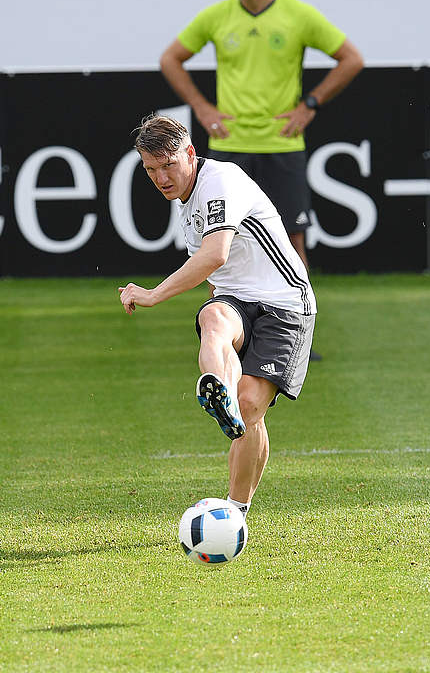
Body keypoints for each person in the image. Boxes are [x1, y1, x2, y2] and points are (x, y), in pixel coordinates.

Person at [160, 0, 362, 361]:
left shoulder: (297, 15)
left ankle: (298, 338)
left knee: (291, 240)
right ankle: (229, 334)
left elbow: (351, 58)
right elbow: (170, 59)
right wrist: (202, 107)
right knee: (220, 241)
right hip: (229, 146)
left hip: (281, 145)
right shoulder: (217, 16)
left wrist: (310, 104)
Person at [119, 114, 316, 516]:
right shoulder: (186, 205)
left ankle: (234, 512)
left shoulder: (220, 181)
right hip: (237, 300)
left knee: (250, 409)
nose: (160, 178)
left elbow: (215, 255)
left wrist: (154, 294)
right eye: (150, 169)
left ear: (190, 153)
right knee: (213, 319)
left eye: (168, 164)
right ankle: (217, 387)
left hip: (286, 304)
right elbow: (216, 278)